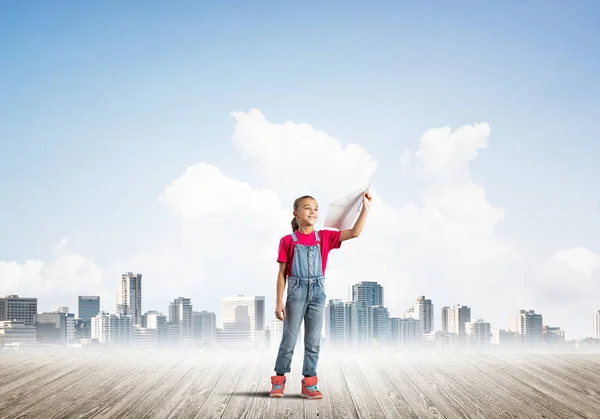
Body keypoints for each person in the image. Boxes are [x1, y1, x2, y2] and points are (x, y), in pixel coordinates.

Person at [270, 191, 372, 399]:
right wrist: (279, 301)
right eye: (307, 207)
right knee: (289, 339)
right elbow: (281, 274)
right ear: (295, 213)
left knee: (313, 341)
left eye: (316, 208)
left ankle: (309, 383)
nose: (313, 211)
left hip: (318, 294)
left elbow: (354, 232)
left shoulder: (325, 237)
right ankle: (279, 380)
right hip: (296, 293)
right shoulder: (287, 241)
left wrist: (365, 209)